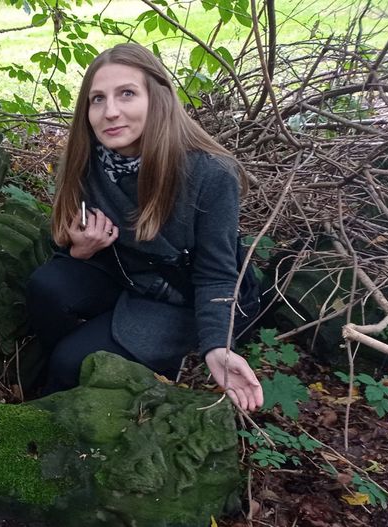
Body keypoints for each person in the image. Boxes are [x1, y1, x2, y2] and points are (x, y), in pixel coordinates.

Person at [25, 43, 263, 412]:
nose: (110, 112)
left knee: (72, 362)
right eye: (98, 99)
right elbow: (65, 234)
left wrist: (217, 344)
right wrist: (80, 250)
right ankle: (57, 377)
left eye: (127, 94)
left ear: (158, 98)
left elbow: (216, 274)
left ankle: (64, 396)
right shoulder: (87, 159)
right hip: (125, 275)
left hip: (179, 296)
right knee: (46, 288)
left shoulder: (210, 174)